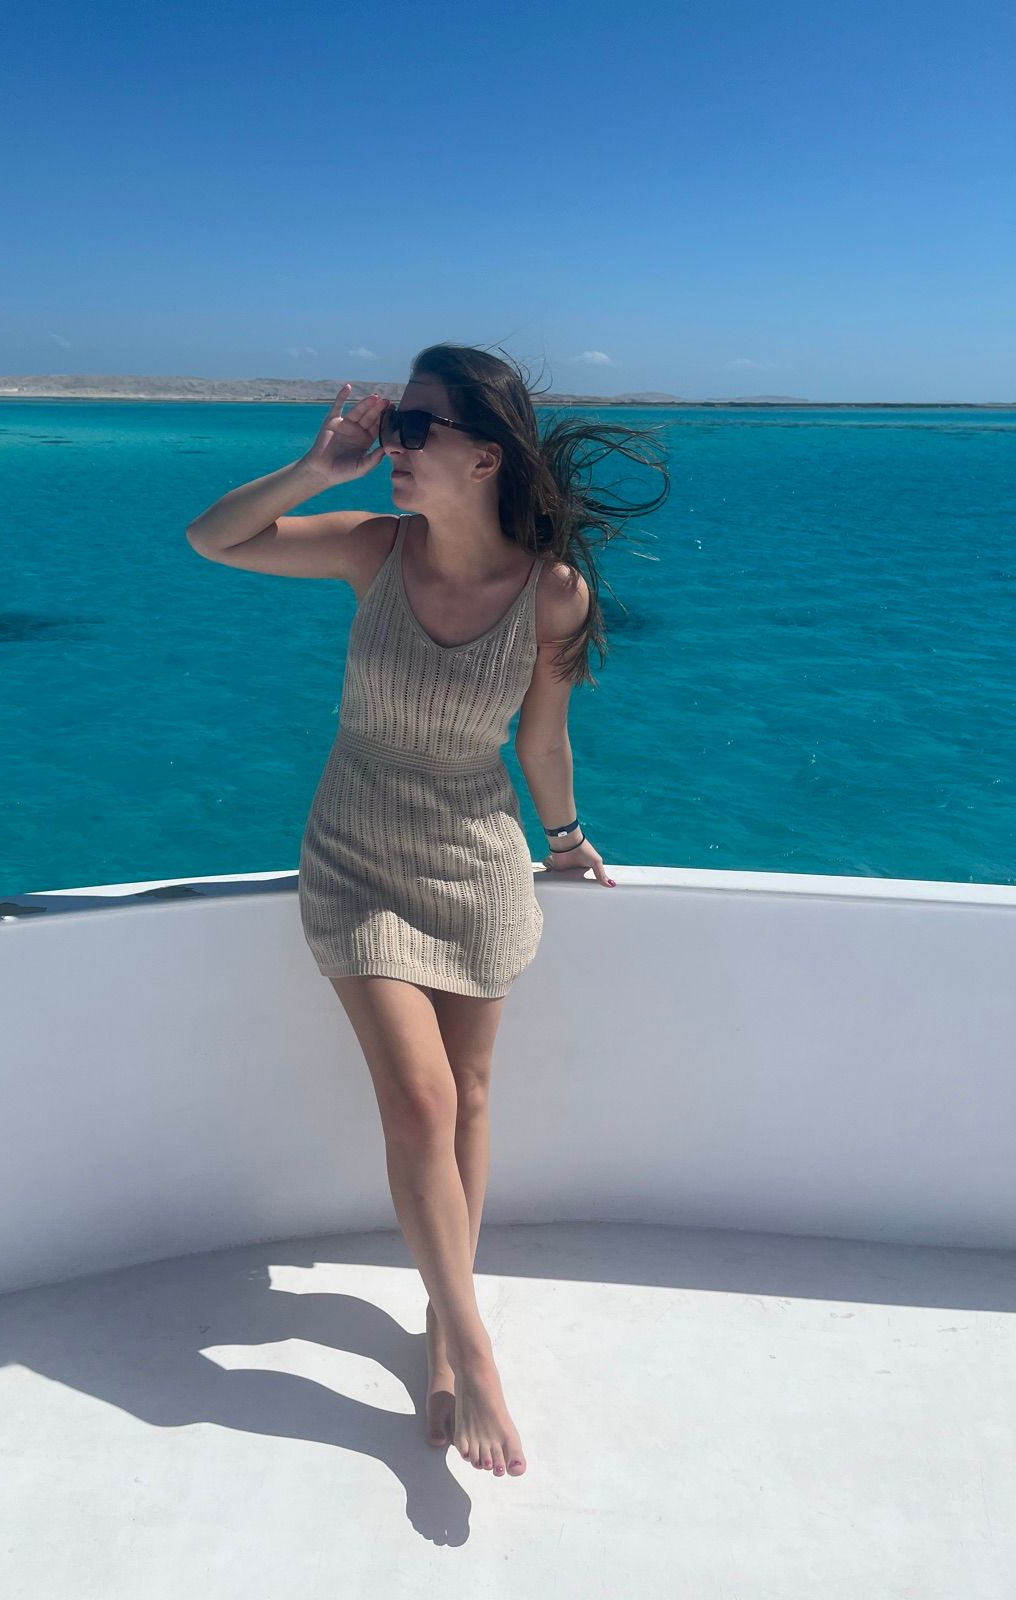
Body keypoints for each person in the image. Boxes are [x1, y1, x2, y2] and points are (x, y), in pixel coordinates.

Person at [186, 342, 669, 1480]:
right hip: (356, 851)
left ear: (485, 457)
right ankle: (476, 1347)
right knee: (421, 1095)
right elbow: (214, 539)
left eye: (413, 427)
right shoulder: (374, 548)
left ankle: (443, 1328)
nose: (391, 443)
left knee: (472, 1097)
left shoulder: (553, 593)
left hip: (475, 857)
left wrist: (564, 838)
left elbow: (542, 739)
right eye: (393, 424)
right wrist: (317, 467)